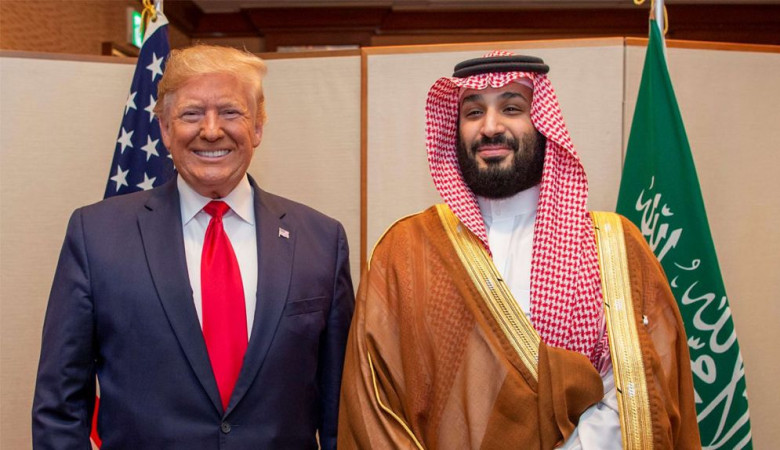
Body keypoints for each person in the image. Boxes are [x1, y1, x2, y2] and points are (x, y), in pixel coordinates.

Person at [338, 51, 700, 449]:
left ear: (542, 122)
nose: (490, 127)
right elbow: (374, 399)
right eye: (473, 113)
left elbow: (640, 385)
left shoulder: (612, 247)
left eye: (511, 108)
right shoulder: (406, 251)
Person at [32, 44, 354, 449]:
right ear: (165, 129)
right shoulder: (96, 236)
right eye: (191, 114)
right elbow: (60, 408)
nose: (212, 130)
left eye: (231, 112)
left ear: (258, 126)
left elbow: (343, 412)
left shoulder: (321, 242)